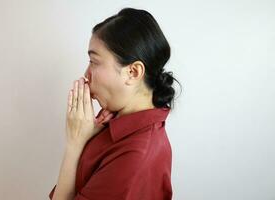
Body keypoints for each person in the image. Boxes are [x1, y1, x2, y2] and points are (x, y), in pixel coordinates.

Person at [49, 7, 182, 200]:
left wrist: (74, 144)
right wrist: (83, 139)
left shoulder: (135, 155)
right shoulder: (115, 124)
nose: (86, 75)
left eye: (94, 62)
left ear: (133, 72)